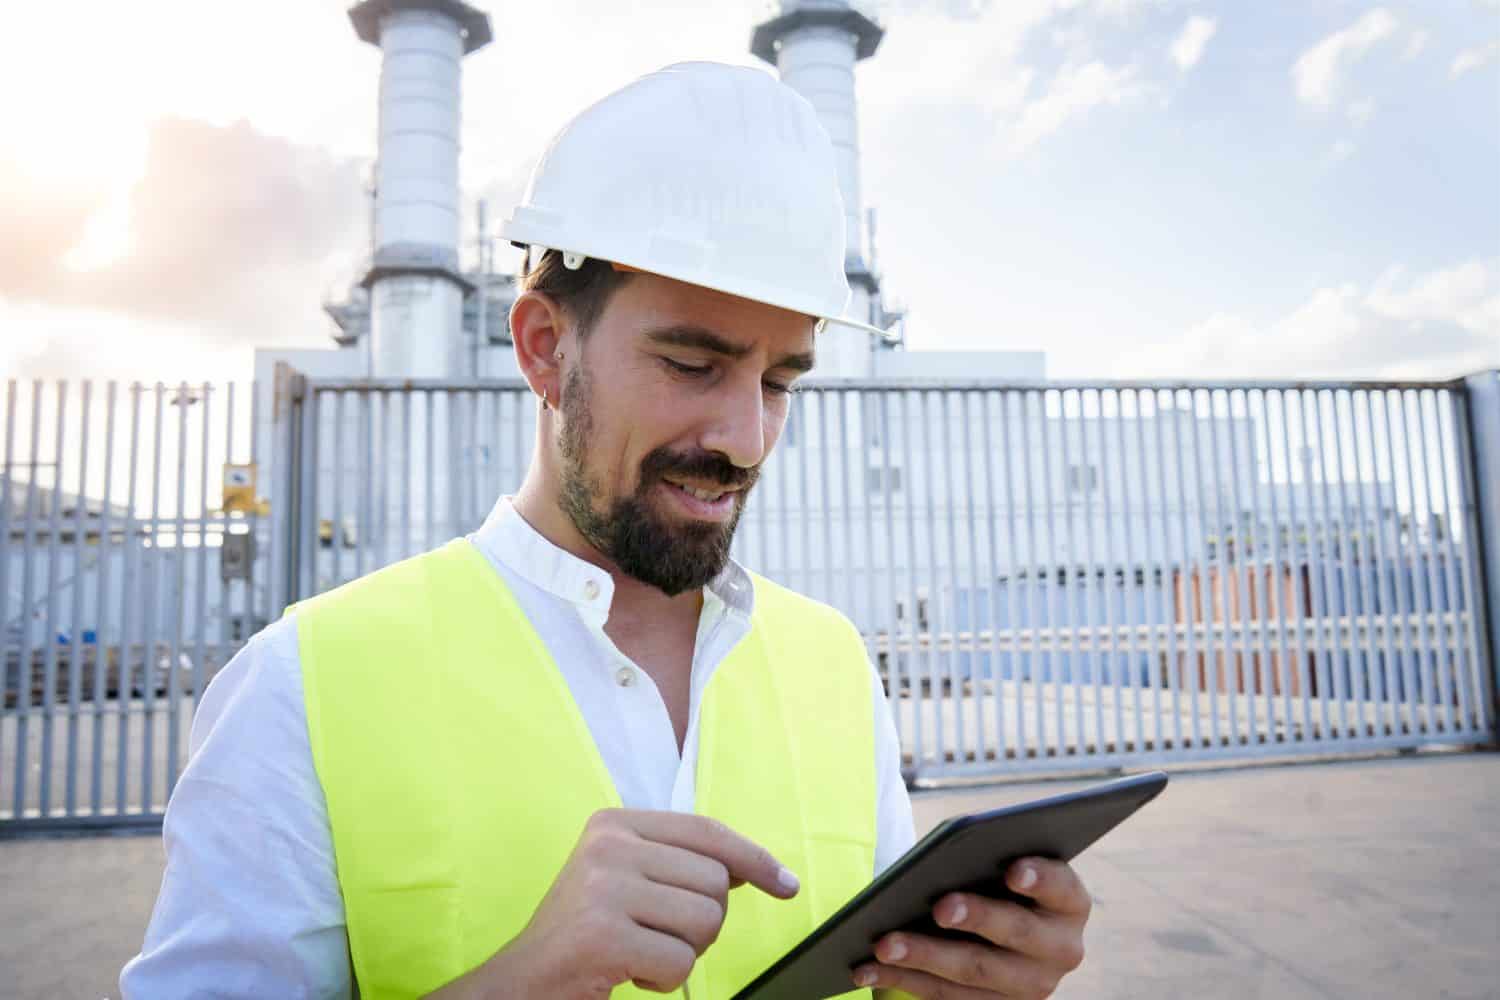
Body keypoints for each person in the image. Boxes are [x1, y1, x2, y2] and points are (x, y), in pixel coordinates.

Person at [122, 62, 1091, 999]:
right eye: (691, 364)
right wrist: (522, 980)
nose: (746, 438)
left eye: (780, 380)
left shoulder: (832, 661)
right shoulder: (304, 683)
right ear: (546, 346)